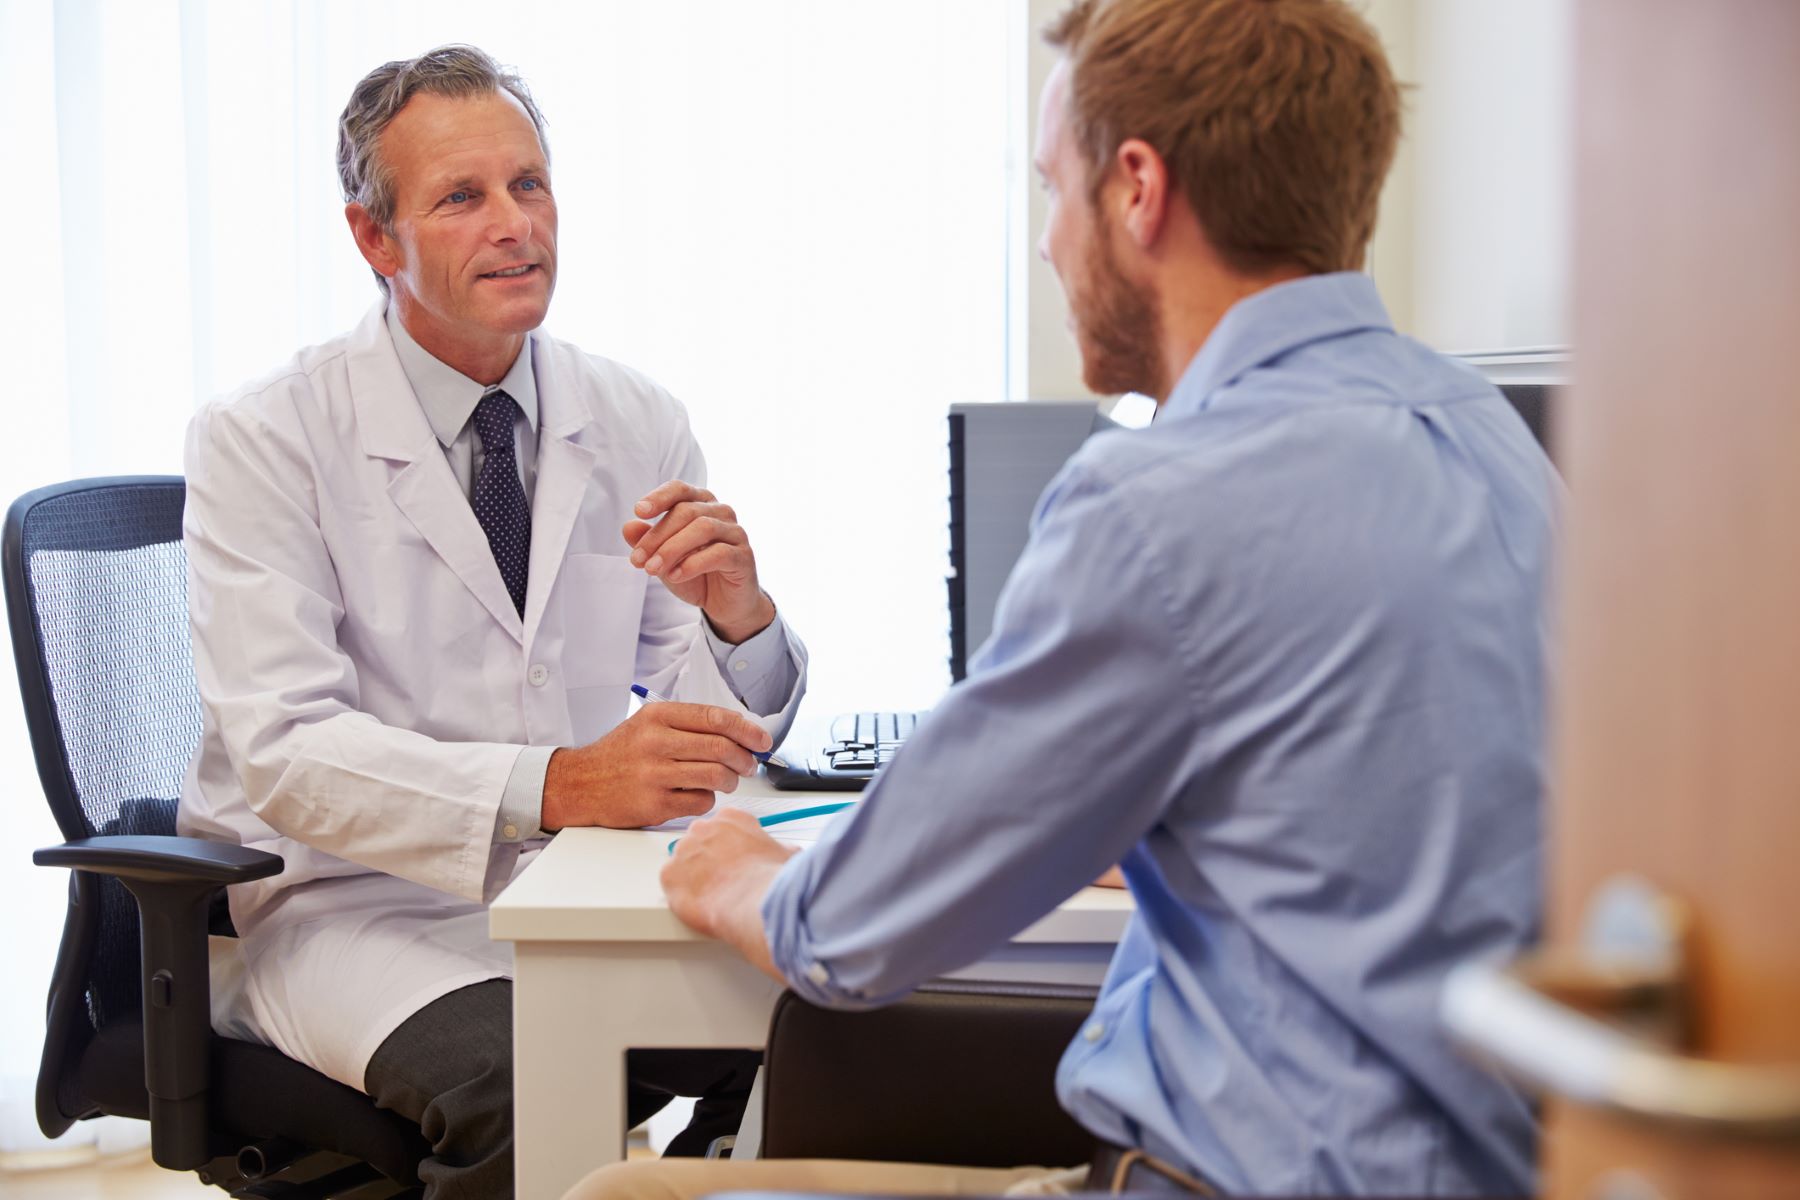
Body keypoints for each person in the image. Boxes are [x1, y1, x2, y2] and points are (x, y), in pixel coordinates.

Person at [570, 0, 1555, 1197]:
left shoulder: (1160, 502)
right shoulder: (1502, 449)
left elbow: (852, 932)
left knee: (618, 1187)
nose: (1047, 243)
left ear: (1137, 189)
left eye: (1053, 188)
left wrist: (734, 869)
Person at [176, 45, 807, 1199]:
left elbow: (697, 739)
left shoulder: (633, 416)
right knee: (520, 1086)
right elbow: (285, 753)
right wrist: (558, 784)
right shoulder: (264, 438)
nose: (515, 225)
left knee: (806, 1019)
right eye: (461, 197)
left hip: (577, 888)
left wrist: (739, 619)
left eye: (530, 184)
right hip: (348, 908)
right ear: (376, 239)